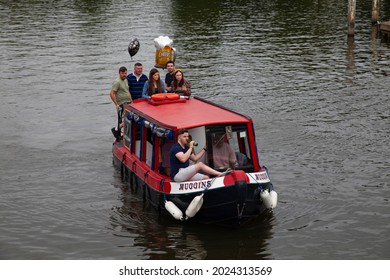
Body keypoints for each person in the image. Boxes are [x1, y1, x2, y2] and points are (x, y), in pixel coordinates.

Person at [109, 66, 132, 140]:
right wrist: (116, 104)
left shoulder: (126, 80)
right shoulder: (117, 82)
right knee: (126, 118)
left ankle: (119, 131)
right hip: (121, 103)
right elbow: (112, 93)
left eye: (125, 73)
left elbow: (127, 90)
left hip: (128, 102)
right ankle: (116, 129)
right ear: (119, 73)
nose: (124, 75)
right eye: (123, 73)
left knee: (127, 118)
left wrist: (131, 100)